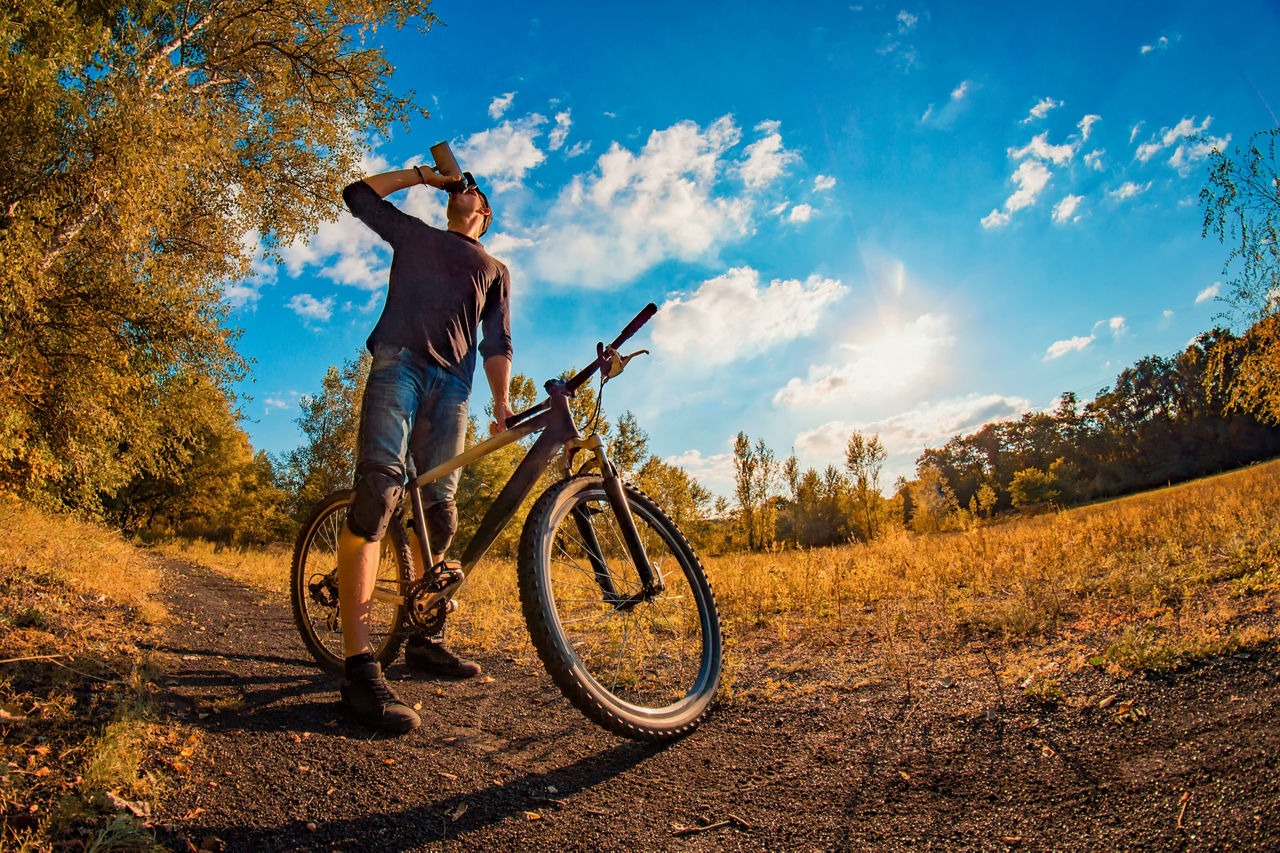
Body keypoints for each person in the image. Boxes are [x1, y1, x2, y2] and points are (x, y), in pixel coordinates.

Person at [335, 162, 514, 733]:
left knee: (440, 509)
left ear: (483, 216)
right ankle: (360, 667)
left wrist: (503, 404)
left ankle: (424, 637)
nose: (468, 191)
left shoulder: (494, 268)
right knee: (381, 492)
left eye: (476, 193)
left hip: (454, 387)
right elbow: (356, 196)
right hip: (400, 364)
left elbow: (497, 340)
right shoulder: (416, 234)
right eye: (464, 187)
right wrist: (420, 176)